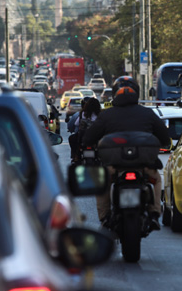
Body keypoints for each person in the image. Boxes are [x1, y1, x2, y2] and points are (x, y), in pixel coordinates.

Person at [82, 76, 170, 231]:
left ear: (115, 94)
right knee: (156, 179)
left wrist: (90, 148)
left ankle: (105, 217)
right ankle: (155, 214)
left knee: (102, 184)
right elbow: (165, 138)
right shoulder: (147, 113)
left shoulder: (107, 115)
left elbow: (88, 138)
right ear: (136, 93)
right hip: (143, 166)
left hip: (114, 166)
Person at [68, 97, 99, 163]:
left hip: (82, 137)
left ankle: (76, 156)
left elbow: (76, 123)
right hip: (96, 137)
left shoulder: (82, 114)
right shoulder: (99, 115)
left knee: (72, 138)